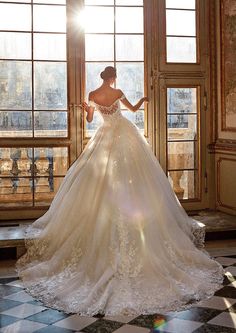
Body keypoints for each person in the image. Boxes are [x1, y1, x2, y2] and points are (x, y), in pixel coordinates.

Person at [16, 66, 224, 316]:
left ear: (102, 77)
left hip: (104, 137)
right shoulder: (118, 92)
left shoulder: (93, 93)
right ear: (113, 77)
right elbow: (134, 110)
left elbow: (91, 120)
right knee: (134, 178)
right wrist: (142, 100)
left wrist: (86, 110)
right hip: (124, 135)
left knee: (99, 182)